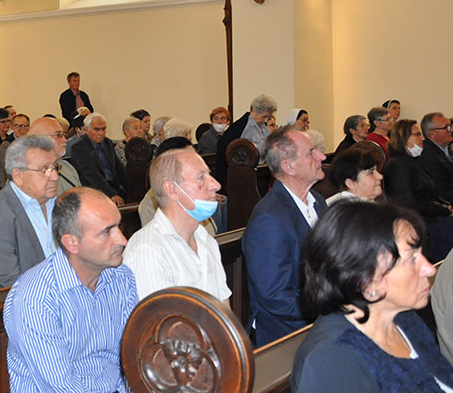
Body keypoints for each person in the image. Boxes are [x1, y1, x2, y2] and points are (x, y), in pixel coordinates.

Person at [291, 200, 453, 393]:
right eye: (411, 259)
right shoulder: (332, 362)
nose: (428, 268)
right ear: (366, 279)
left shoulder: (405, 322)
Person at [4, 187, 136, 393]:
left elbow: (132, 353)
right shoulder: (35, 296)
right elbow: (61, 388)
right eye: (107, 232)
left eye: (119, 226)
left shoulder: (120, 277)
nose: (122, 240)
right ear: (71, 243)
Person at [242, 126, 326, 347]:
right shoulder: (269, 219)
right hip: (286, 336)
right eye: (311, 153)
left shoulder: (317, 201)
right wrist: (329, 309)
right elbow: (274, 297)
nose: (322, 157)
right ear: (289, 166)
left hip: (318, 326)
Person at [123, 148, 230, 301]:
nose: (216, 185)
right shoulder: (148, 252)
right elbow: (160, 316)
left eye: (209, 175)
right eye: (201, 177)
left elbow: (223, 309)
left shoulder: (205, 239)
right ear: (172, 190)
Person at [0, 135, 60, 292]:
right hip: (16, 302)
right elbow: (10, 282)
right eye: (45, 170)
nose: (55, 177)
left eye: (55, 168)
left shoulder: (59, 204)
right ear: (18, 176)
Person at [384, 118, 453, 260]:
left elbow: (431, 192)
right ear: (403, 139)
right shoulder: (398, 165)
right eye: (417, 135)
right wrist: (444, 210)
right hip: (418, 222)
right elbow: (409, 202)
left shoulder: (413, 162)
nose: (422, 138)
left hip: (429, 216)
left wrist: (446, 206)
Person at [214, 94, 277, 183]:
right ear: (254, 111)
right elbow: (226, 147)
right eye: (264, 117)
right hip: (245, 177)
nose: (266, 120)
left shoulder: (264, 127)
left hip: (262, 173)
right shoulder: (241, 127)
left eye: (268, 117)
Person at [71, 113, 126, 204]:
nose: (101, 133)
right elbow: (91, 175)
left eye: (103, 129)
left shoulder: (107, 142)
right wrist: (111, 194)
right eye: (96, 129)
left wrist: (131, 186)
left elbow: (119, 167)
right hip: (94, 191)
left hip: (114, 187)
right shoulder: (79, 147)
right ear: (86, 130)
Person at [417, 112, 453, 204]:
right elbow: (441, 191)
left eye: (450, 126)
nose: (451, 130)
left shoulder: (446, 148)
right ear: (432, 134)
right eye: (446, 127)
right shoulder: (428, 155)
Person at [0, 113, 31, 186]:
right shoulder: (7, 144)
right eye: (16, 125)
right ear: (12, 127)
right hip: (11, 181)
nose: (19, 128)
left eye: (22, 126)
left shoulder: (31, 143)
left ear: (28, 127)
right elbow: (6, 168)